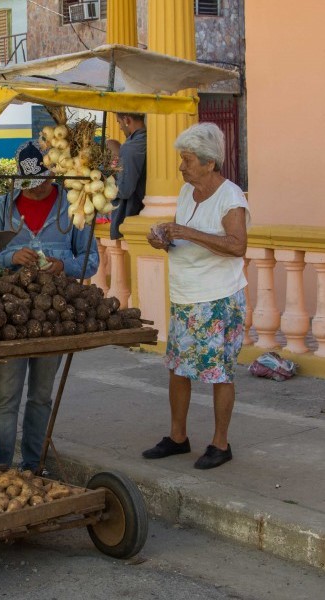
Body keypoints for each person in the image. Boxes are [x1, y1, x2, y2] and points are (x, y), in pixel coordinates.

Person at [0, 140, 99, 474]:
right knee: (6, 397)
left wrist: (63, 266)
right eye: (29, 185)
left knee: (41, 396)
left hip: (54, 315)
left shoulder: (74, 206)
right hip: (6, 317)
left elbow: (91, 260)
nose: (36, 190)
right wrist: (10, 257)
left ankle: (35, 465)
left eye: (43, 182)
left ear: (53, 176)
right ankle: (1, 467)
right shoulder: (3, 208)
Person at [143, 122, 249, 470]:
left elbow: (237, 246)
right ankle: (177, 437)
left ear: (209, 162)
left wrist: (186, 230)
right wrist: (165, 238)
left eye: (187, 159)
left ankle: (221, 443)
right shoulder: (187, 191)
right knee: (178, 367)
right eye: (182, 159)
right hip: (186, 295)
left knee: (219, 372)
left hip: (218, 298)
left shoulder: (230, 196)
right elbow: (185, 237)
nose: (181, 166)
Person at [110, 113, 146, 240]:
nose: (119, 127)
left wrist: (105, 182)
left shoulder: (130, 147)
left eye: (119, 122)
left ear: (126, 120)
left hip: (130, 217)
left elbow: (123, 190)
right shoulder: (150, 139)